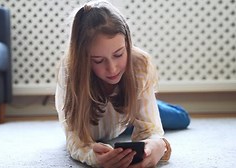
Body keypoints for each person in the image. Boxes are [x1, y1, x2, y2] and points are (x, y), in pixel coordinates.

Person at [55, 0, 189, 167]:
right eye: (98, 60)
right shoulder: (71, 73)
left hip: (127, 116)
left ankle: (147, 103)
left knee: (182, 119)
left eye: (118, 54)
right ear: (83, 60)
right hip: (107, 120)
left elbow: (152, 131)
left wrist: (158, 145)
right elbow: (75, 140)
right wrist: (93, 157)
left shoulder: (139, 64)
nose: (112, 69)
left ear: (127, 44)